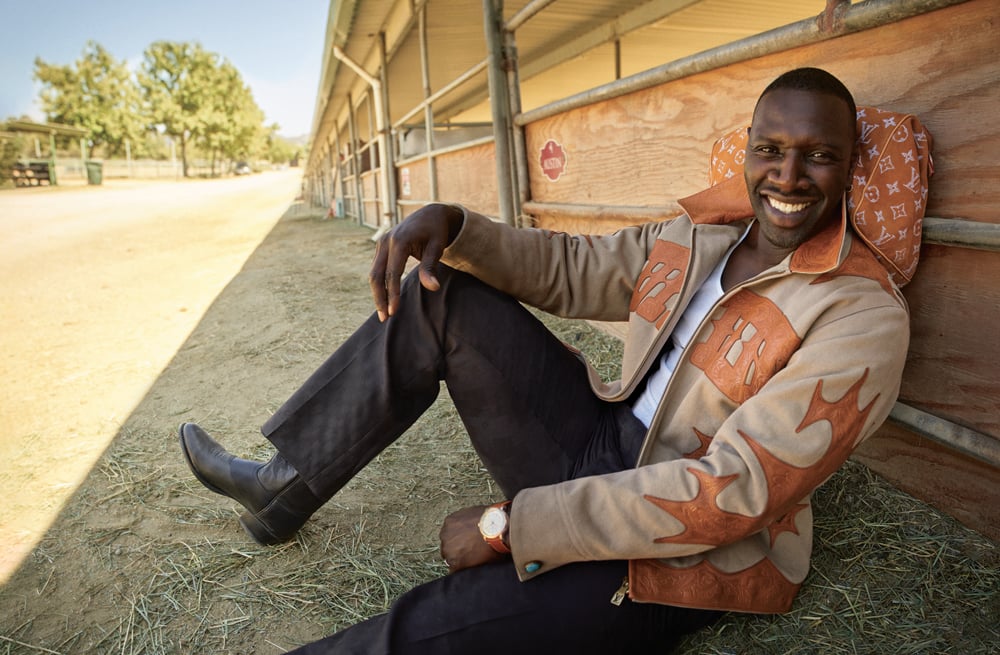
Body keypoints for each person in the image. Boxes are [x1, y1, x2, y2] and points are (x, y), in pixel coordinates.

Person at [179, 67, 912, 654]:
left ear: (850, 169)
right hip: (601, 440)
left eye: (819, 156)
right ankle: (281, 490)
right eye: (771, 149)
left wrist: (512, 525)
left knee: (441, 623)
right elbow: (570, 267)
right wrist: (456, 225)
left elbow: (737, 492)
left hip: (684, 546)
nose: (787, 176)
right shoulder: (703, 236)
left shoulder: (861, 314)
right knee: (445, 294)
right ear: (748, 148)